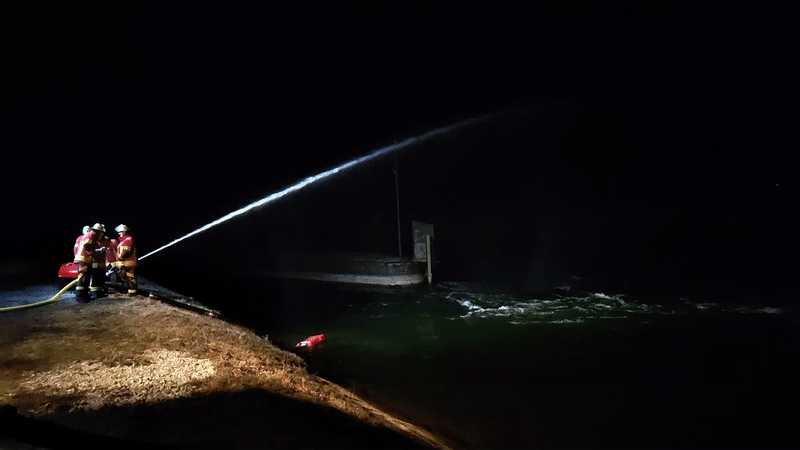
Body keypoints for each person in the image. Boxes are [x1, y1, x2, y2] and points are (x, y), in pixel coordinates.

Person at [73, 223, 102, 301]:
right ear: (97, 231)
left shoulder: (85, 236)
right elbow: (87, 246)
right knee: (83, 278)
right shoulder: (91, 235)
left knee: (86, 278)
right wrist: (92, 253)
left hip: (83, 259)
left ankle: (84, 296)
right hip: (83, 260)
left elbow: (76, 249)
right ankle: (80, 297)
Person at [114, 224, 138, 296]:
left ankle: (132, 292)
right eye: (119, 232)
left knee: (130, 277)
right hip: (126, 263)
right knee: (126, 277)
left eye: (121, 232)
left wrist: (120, 257)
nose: (119, 234)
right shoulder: (124, 240)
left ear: (124, 232)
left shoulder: (128, 239)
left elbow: (126, 251)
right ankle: (129, 290)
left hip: (129, 263)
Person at [91, 224, 110, 298]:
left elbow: (109, 251)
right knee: (94, 277)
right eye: (99, 233)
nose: (100, 235)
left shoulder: (105, 240)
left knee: (101, 277)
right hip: (94, 262)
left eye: (101, 233)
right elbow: (89, 250)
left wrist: (108, 261)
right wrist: (99, 250)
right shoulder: (93, 239)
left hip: (102, 262)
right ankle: (94, 292)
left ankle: (99, 291)